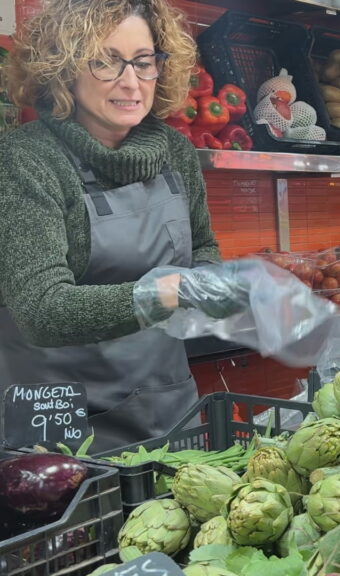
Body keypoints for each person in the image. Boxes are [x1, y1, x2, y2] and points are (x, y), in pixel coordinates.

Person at [0, 0, 250, 452]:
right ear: (64, 69)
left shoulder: (175, 151)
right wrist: (164, 293)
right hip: (63, 429)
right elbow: (41, 310)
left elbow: (202, 247)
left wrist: (216, 283)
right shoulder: (25, 160)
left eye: (143, 62)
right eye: (105, 61)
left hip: (167, 408)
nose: (131, 81)